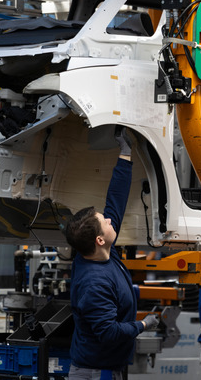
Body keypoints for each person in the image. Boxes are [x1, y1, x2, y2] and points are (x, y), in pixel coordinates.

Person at [64, 126, 158, 380]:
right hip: (95, 373)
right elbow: (109, 333)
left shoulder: (103, 253)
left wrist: (125, 153)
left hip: (106, 368)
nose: (109, 220)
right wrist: (143, 325)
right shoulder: (94, 282)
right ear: (99, 239)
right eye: (104, 222)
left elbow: (115, 202)